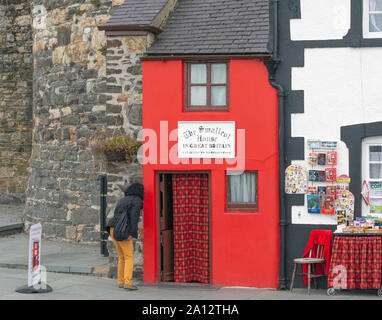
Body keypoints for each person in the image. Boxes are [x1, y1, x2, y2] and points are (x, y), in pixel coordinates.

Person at [106, 182, 144, 290]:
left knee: (122, 256)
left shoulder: (123, 199)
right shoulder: (137, 200)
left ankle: (121, 281)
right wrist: (131, 233)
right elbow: (134, 218)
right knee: (128, 257)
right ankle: (127, 282)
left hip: (112, 228)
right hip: (123, 231)